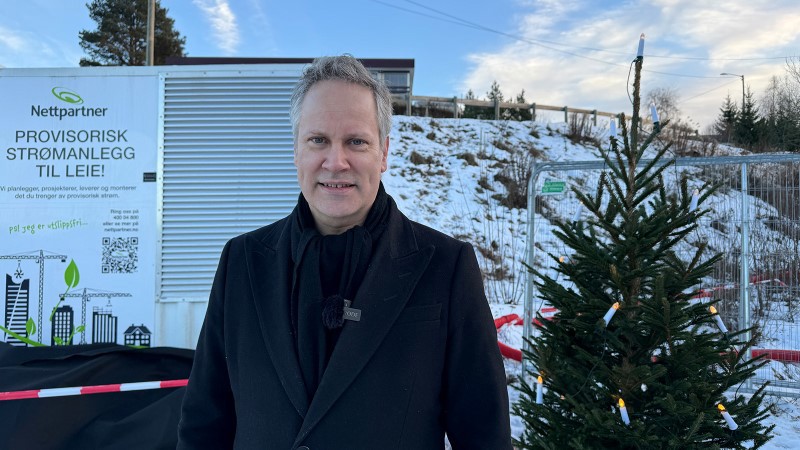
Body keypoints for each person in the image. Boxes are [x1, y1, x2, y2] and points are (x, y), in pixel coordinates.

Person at [177, 55, 511, 450]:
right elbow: (204, 424)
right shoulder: (242, 261)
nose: (335, 162)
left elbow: (484, 435)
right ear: (296, 150)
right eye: (318, 140)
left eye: (356, 141)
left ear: (383, 153)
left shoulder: (446, 267)